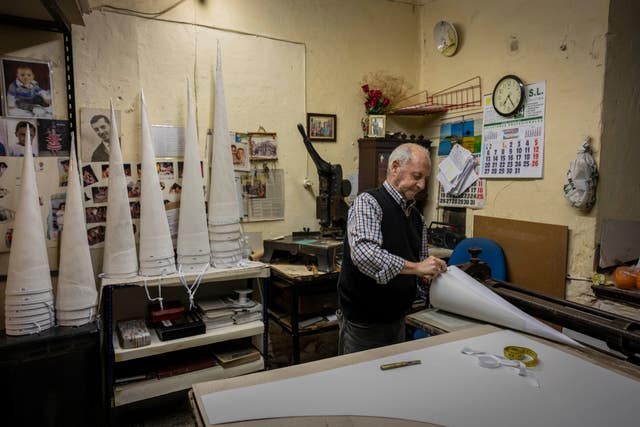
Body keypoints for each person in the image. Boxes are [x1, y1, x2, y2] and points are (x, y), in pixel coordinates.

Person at [337, 143, 448, 355]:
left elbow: (420, 262)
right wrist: (417, 268)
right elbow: (365, 254)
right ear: (395, 167)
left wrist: (431, 272)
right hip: (364, 323)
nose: (422, 185)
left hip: (398, 318)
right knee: (360, 382)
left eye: (425, 178)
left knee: (390, 379)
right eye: (417, 176)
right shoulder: (368, 203)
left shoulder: (416, 217)